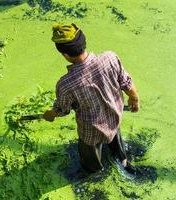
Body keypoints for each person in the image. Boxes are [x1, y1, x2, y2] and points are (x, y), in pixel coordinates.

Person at [43, 23, 140, 173]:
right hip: (115, 118)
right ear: (84, 43)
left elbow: (63, 109)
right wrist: (134, 99)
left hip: (91, 132)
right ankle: (122, 158)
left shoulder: (66, 84)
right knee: (115, 138)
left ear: (65, 55)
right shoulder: (110, 58)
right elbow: (127, 83)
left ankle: (95, 171)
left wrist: (51, 114)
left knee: (90, 160)